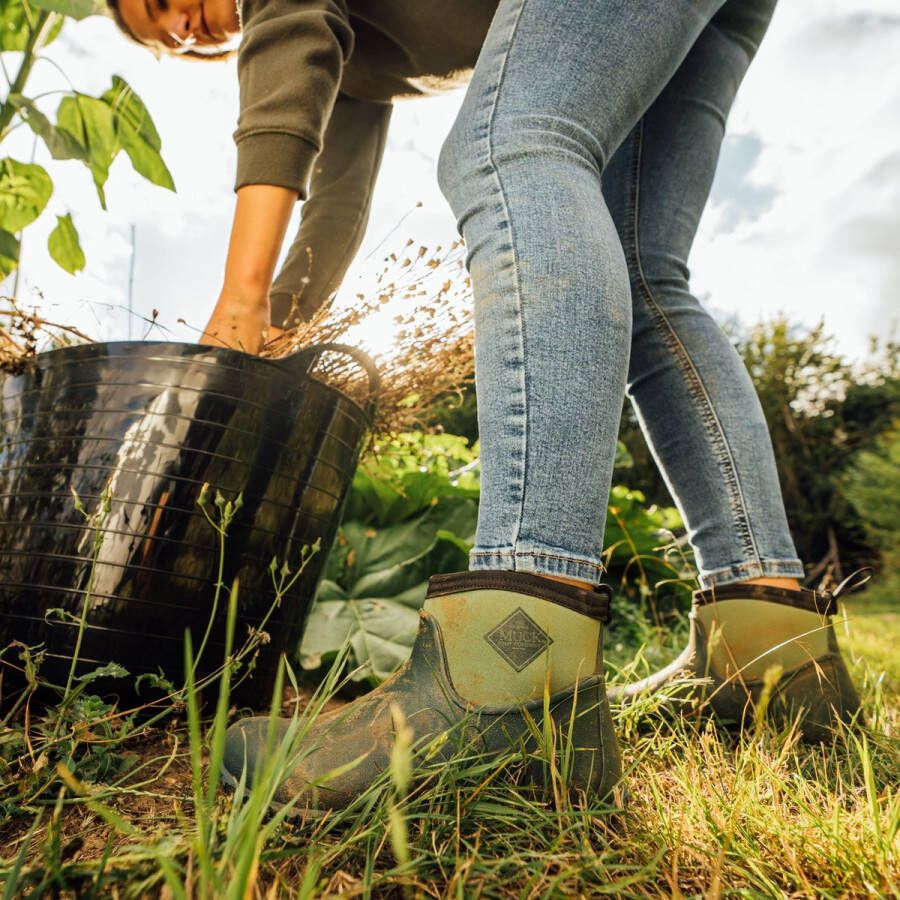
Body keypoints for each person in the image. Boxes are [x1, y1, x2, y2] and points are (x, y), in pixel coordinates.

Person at [109, 0, 862, 814]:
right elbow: (335, 207)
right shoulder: (362, 52)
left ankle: (511, 674)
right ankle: (772, 656)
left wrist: (239, 299)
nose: (185, 29)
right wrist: (271, 343)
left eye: (160, 4)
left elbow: (282, 54)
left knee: (510, 145)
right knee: (644, 270)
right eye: (168, 39)